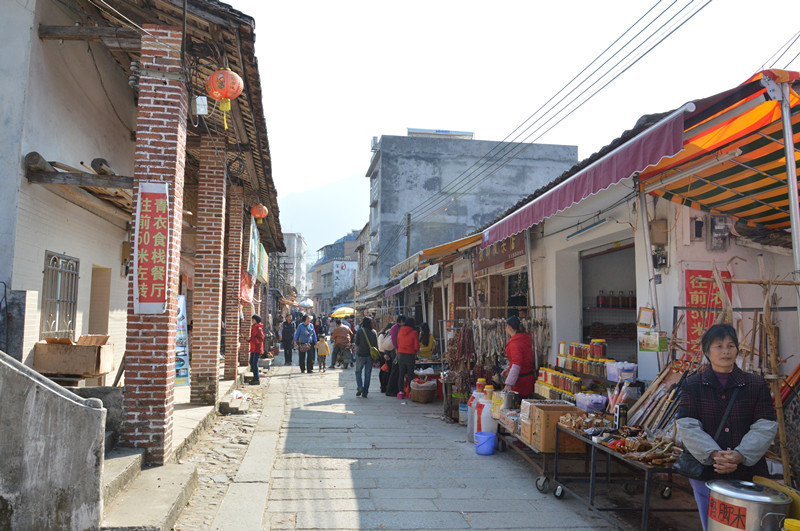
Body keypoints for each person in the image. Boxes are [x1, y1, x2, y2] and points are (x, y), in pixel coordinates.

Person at [676, 323, 777, 531]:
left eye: (731, 346)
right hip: (707, 470)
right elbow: (687, 425)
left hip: (747, 472)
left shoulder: (756, 384)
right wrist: (714, 454)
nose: (725, 351)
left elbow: (765, 425)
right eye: (718, 346)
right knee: (712, 525)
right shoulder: (693, 384)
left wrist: (740, 454)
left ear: (737, 350)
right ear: (707, 351)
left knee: (747, 525)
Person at [501, 316, 535, 397]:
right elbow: (521, 360)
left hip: (521, 383)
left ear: (509, 327)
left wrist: (509, 383)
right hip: (528, 379)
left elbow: (517, 364)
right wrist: (508, 369)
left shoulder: (515, 343)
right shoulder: (524, 338)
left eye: (506, 326)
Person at [354, 317, 378, 398]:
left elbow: (357, 343)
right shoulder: (374, 332)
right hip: (370, 356)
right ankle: (365, 393)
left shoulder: (360, 331)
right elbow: (375, 346)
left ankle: (360, 387)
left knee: (358, 372)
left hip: (361, 355)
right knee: (368, 375)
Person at [396, 317, 419, 398]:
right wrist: (415, 351)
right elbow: (416, 346)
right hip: (410, 355)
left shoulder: (400, 331)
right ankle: (410, 393)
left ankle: (400, 392)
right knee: (410, 375)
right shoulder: (414, 333)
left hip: (401, 355)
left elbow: (398, 342)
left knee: (401, 374)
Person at [248, 315, 264, 385]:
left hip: (257, 348)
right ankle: (255, 377)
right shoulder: (253, 327)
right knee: (251, 362)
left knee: (254, 363)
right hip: (253, 348)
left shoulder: (258, 328)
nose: (252, 321)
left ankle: (257, 378)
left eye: (253, 320)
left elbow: (261, 339)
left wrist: (251, 339)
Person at [377, 324, 394, 393]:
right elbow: (382, 347)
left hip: (384, 354)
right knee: (385, 372)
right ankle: (384, 387)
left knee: (384, 372)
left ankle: (383, 386)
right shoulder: (385, 335)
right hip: (384, 355)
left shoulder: (383, 335)